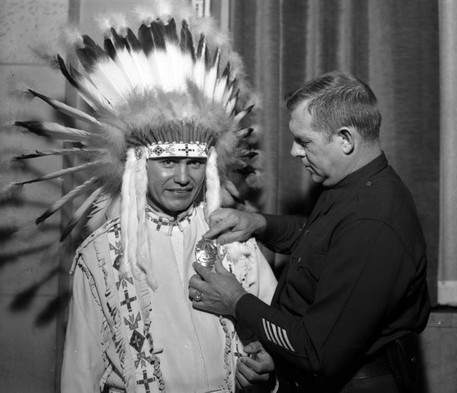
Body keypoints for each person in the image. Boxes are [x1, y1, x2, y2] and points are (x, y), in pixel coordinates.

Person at [9, 2, 278, 392]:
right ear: (139, 165)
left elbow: (276, 341)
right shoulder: (99, 258)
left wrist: (266, 367)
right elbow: (80, 376)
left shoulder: (239, 249)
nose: (183, 178)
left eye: (196, 164)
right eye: (168, 162)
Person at [188, 70, 431, 393]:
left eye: (304, 141)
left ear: (345, 139)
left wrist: (235, 300)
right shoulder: (352, 185)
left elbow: (317, 351)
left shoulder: (373, 221)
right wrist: (260, 224)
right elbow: (322, 238)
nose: (294, 152)